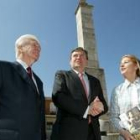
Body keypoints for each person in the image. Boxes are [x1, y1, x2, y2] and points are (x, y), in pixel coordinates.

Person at [50, 47, 108, 140]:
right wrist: (87, 110)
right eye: (75, 55)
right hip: (69, 133)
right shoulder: (62, 75)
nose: (78, 57)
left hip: (93, 133)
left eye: (82, 55)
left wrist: (101, 107)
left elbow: (104, 105)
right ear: (70, 61)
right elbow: (59, 98)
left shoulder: (95, 81)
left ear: (86, 61)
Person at [0, 34, 47, 140]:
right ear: (20, 48)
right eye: (34, 44)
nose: (38, 48)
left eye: (39, 47)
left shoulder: (39, 81)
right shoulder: (3, 68)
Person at [110, 54, 140, 140]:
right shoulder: (117, 90)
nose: (121, 65)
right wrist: (123, 132)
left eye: (126, 62)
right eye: (120, 63)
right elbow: (114, 117)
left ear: (136, 66)